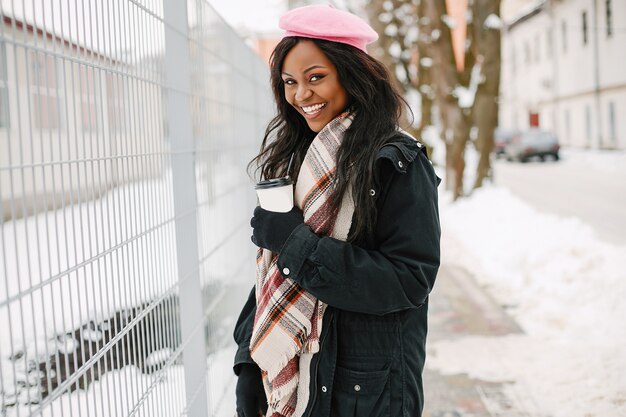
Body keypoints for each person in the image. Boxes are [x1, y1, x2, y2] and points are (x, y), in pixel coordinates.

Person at [233, 4, 441, 417]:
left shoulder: (395, 162)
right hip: (297, 380)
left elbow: (407, 282)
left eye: (316, 78)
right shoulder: (296, 160)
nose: (301, 95)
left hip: (369, 392)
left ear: (353, 74)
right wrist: (248, 363)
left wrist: (293, 242)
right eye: (290, 82)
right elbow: (272, 276)